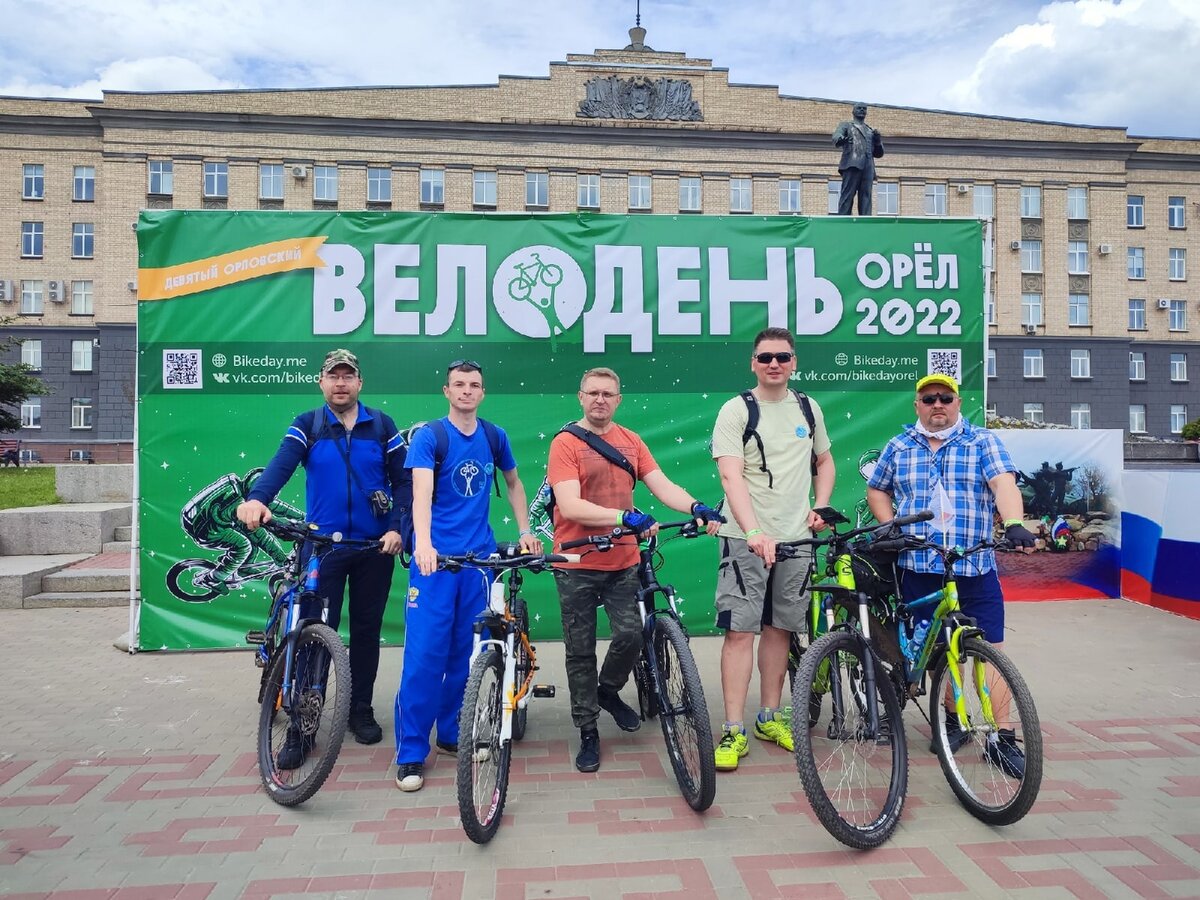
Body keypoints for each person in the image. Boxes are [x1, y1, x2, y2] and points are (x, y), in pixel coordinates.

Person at [547, 367, 723, 773]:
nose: (600, 400)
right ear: (580, 397)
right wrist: (623, 517)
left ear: (618, 400)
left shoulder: (631, 441)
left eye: (608, 394)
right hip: (576, 562)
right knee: (579, 650)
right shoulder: (565, 443)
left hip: (623, 560)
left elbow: (662, 484)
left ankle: (607, 691)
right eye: (593, 393)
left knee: (631, 634)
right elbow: (569, 505)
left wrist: (696, 506)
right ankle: (588, 730)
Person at [866, 373, 1037, 775]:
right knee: (939, 652)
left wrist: (1013, 521)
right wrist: (889, 525)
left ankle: (1002, 737)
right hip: (919, 568)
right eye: (929, 399)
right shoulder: (899, 445)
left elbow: (1004, 484)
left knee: (990, 651)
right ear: (917, 406)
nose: (937, 404)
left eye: (945, 397)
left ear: (958, 403)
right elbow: (877, 488)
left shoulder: (982, 442)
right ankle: (953, 720)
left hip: (974, 569)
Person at [237, 349, 404, 761]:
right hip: (323, 548)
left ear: (359, 383)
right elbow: (281, 465)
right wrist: (257, 499)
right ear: (322, 382)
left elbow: (403, 482)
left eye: (348, 376)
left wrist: (397, 528)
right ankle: (303, 727)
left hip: (373, 548)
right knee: (313, 634)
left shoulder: (381, 425)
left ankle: (359, 710)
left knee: (366, 632)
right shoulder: (307, 424)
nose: (340, 383)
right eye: (334, 376)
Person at [394, 359, 541, 792]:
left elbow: (514, 483)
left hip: (478, 564)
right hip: (436, 564)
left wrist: (526, 530)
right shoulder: (430, 436)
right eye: (458, 384)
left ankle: (452, 734)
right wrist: (424, 544)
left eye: (474, 385)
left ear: (482, 392)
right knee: (424, 657)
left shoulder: (494, 436)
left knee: (466, 655)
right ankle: (411, 752)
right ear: (447, 391)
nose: (466, 391)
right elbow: (421, 492)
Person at [711, 327, 836, 771]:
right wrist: (753, 531)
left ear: (794, 362)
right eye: (765, 357)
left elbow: (824, 461)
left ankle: (768, 717)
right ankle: (733, 728)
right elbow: (730, 475)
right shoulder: (736, 409)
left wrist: (821, 505)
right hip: (746, 539)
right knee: (739, 632)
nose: (774, 364)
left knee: (781, 628)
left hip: (797, 539)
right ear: (753, 363)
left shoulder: (808, 407)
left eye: (782, 357)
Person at [182, 468, 300, 593]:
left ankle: (244, 568)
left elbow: (274, 506)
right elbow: (260, 536)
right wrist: (282, 559)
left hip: (200, 517)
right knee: (243, 545)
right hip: (204, 528)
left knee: (249, 538)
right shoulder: (237, 504)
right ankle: (212, 579)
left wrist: (303, 517)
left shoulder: (241, 489)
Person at [832, 102, 884, 215]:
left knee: (866, 196)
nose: (862, 110)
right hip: (852, 164)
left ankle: (866, 220)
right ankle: (843, 220)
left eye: (864, 109)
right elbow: (836, 137)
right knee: (847, 195)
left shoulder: (870, 130)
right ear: (853, 111)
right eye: (859, 108)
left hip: (868, 167)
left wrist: (878, 140)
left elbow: (879, 154)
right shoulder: (846, 125)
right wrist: (842, 139)